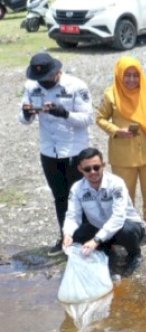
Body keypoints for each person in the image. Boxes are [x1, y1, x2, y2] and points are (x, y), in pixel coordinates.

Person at [19, 52, 93, 256]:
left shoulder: (76, 86)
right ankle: (65, 238)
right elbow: (23, 119)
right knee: (60, 197)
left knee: (80, 196)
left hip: (75, 151)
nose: (43, 82)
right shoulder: (31, 86)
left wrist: (64, 113)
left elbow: (87, 119)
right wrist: (26, 113)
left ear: (57, 72)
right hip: (49, 151)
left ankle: (87, 239)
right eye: (39, 78)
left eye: (47, 78)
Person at [96, 56, 146, 243]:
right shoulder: (111, 95)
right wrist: (116, 131)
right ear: (119, 75)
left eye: (135, 75)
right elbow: (100, 118)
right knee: (124, 195)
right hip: (124, 155)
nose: (131, 80)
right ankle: (127, 229)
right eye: (127, 75)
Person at [62, 148, 146, 277]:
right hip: (99, 228)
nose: (93, 172)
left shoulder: (116, 183)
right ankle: (107, 252)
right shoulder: (77, 188)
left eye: (96, 167)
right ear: (80, 169)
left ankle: (135, 254)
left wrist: (96, 240)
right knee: (77, 235)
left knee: (126, 231)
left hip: (125, 226)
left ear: (103, 165)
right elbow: (73, 216)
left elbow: (118, 217)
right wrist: (68, 234)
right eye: (87, 169)